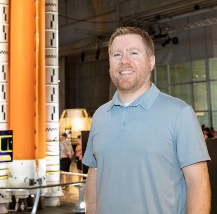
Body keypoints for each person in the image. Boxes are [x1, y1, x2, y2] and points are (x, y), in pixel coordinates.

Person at [83, 26, 211, 214]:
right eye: (117, 54)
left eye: (133, 53)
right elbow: (93, 177)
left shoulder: (179, 113)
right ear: (109, 63)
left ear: (151, 61)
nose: (124, 61)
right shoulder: (100, 116)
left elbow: (198, 183)